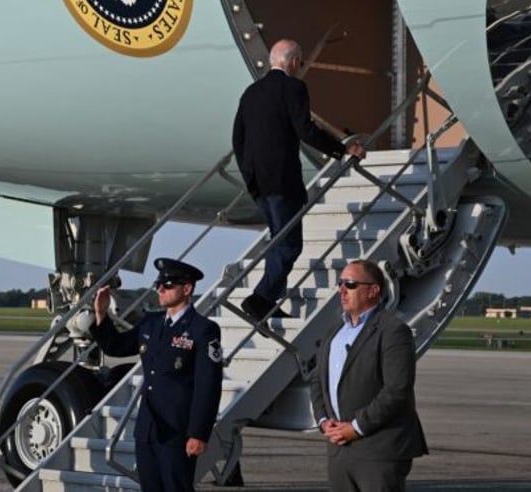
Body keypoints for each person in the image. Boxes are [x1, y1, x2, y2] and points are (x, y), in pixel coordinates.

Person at [232, 38, 366, 322]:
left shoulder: (251, 92)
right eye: (300, 62)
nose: (300, 67)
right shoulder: (294, 88)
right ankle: (260, 299)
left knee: (279, 239)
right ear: (293, 61)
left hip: (259, 183)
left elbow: (238, 138)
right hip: (282, 181)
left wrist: (249, 175)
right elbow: (305, 130)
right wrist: (342, 150)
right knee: (290, 244)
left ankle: (268, 300)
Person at [90, 257, 223, 492]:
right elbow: (116, 347)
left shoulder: (202, 329)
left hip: (178, 431)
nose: (160, 288)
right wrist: (101, 314)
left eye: (168, 284)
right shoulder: (150, 323)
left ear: (187, 288)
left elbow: (208, 386)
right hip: (148, 429)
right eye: (159, 284)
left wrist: (198, 433)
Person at [311, 259, 427, 491]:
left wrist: (356, 427)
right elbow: (317, 381)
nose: (342, 290)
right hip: (339, 448)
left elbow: (396, 390)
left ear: (373, 290)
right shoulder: (335, 332)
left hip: (378, 449)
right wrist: (324, 422)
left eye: (351, 284)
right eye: (341, 283)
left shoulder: (393, 331)